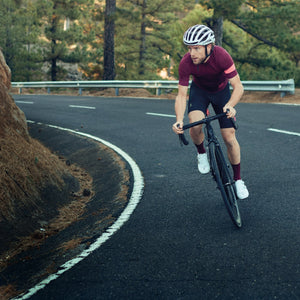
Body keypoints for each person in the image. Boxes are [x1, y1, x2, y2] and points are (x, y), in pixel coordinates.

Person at [172, 24, 249, 199]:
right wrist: (178, 120)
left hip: (221, 93)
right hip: (200, 92)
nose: (192, 53)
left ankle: (238, 180)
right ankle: (201, 153)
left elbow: (238, 87)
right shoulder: (186, 62)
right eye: (190, 48)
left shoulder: (222, 56)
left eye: (197, 48)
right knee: (196, 125)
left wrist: (230, 105)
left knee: (229, 137)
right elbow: (181, 95)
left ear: (209, 46)